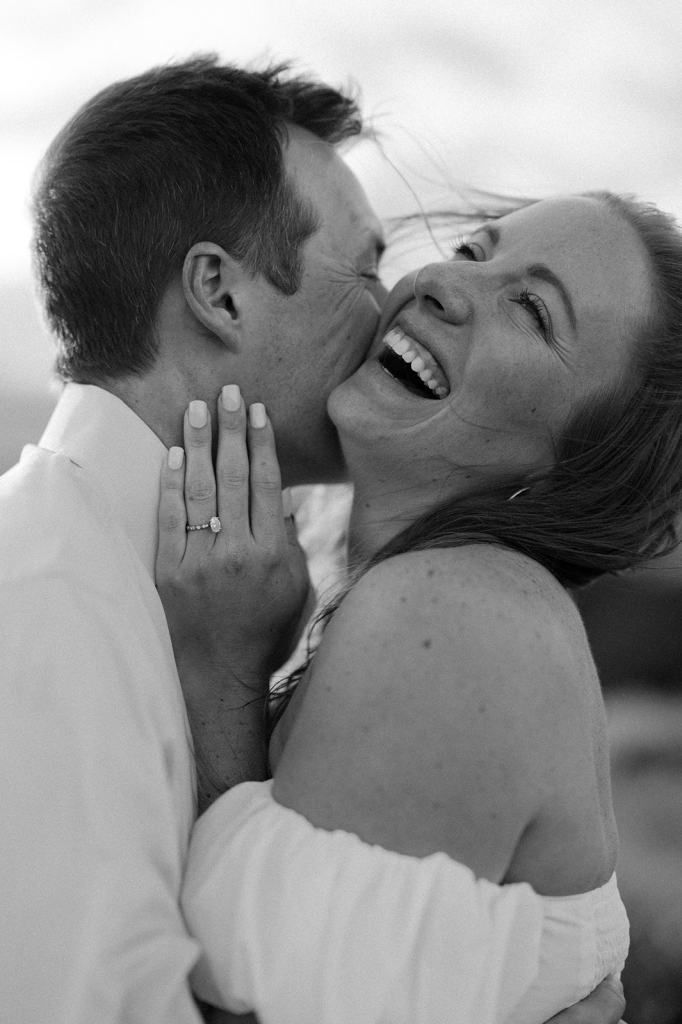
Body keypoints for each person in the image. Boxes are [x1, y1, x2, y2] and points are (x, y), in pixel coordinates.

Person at [0, 51, 623, 1024]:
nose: (397, 303)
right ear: (223, 291)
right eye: (364, 264)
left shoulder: (211, 593)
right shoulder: (40, 603)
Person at [155, 189, 682, 1023]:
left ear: (581, 467)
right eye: (475, 251)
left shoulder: (456, 615)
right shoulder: (406, 593)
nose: (442, 280)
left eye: (534, 312)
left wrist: (220, 674)